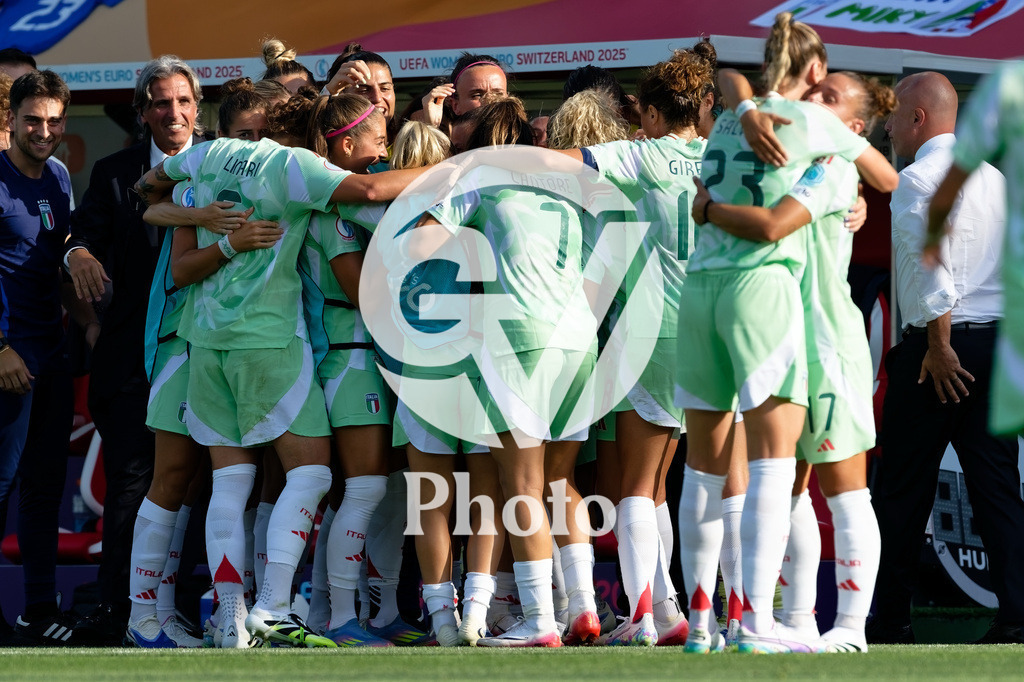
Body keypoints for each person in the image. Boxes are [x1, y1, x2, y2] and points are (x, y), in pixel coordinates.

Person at [133, 95, 431, 648]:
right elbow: (366, 192)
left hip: (207, 342)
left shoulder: (208, 154)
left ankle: (229, 617)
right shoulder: (289, 166)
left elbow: (147, 191)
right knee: (315, 474)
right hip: (270, 342)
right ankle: (272, 606)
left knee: (231, 479)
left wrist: (200, 217)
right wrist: (456, 168)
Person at [675, 12, 897, 654]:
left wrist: (713, 198)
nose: (816, 105)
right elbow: (738, 84)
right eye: (819, 91)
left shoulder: (831, 165)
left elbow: (874, 181)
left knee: (838, 483)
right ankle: (789, 619)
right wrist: (749, 107)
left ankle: (849, 628)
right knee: (786, 484)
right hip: (770, 319)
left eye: (831, 103)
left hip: (823, 336)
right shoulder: (799, 140)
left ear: (852, 127)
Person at [871, 70, 1024, 645]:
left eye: (893, 113)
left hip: (939, 347)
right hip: (994, 344)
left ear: (918, 118)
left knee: (904, 492)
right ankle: (1018, 615)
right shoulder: (996, 181)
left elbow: (932, 271)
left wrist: (937, 346)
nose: (886, 123)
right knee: (997, 489)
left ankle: (890, 620)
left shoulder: (916, 179)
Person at [125, 77, 276, 649]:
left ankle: (202, 612)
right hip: (182, 344)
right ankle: (145, 615)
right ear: (221, 136)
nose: (253, 145)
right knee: (172, 476)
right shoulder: (204, 169)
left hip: (246, 349)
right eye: (242, 134)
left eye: (262, 134)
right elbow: (148, 204)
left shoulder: (283, 176)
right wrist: (204, 221)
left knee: (219, 483)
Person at [64, 55, 207, 645]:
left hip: (217, 350)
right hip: (131, 362)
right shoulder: (114, 171)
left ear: (198, 108)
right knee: (134, 483)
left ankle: (206, 608)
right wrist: (79, 255)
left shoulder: (229, 163)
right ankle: (123, 614)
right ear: (143, 112)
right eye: (159, 103)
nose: (172, 113)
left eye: (182, 101)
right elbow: (80, 234)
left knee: (218, 484)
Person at [0, 70, 95, 645]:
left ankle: (38, 610)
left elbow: (56, 255)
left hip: (52, 350)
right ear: (11, 119)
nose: (44, 131)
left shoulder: (58, 176)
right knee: (1, 484)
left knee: (42, 487)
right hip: (8, 356)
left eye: (54, 121)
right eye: (33, 119)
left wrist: (87, 323)